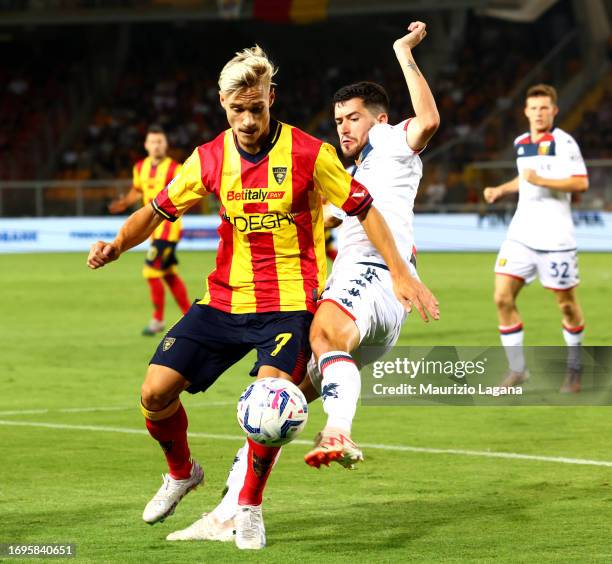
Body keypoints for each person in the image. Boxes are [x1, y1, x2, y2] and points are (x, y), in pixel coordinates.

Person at [87, 45, 438, 551]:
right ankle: (183, 473)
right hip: (224, 299)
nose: (248, 120)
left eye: (257, 107)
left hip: (290, 302)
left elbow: (365, 210)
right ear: (223, 106)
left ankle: (248, 507)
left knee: (272, 402)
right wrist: (117, 244)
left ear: (272, 98)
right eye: (237, 110)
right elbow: (157, 209)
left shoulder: (309, 153)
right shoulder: (208, 159)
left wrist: (401, 274)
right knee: (153, 394)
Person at [483, 83, 589, 392]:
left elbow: (580, 183)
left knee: (566, 305)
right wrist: (501, 189)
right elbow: (524, 178)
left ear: (554, 111)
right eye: (534, 108)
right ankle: (518, 369)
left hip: (556, 240)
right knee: (502, 297)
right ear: (526, 111)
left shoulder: (564, 142)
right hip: (520, 236)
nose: (539, 113)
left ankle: (575, 367)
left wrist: (540, 179)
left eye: (545, 108)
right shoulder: (521, 143)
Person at [108, 125, 190, 335]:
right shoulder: (140, 168)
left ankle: (158, 320)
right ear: (146, 145)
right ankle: (190, 316)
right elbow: (137, 190)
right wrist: (124, 203)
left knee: (151, 271)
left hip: (168, 229)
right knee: (169, 274)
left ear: (166, 145)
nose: (156, 146)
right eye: (152, 142)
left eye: (160, 142)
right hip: (152, 231)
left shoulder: (176, 168)